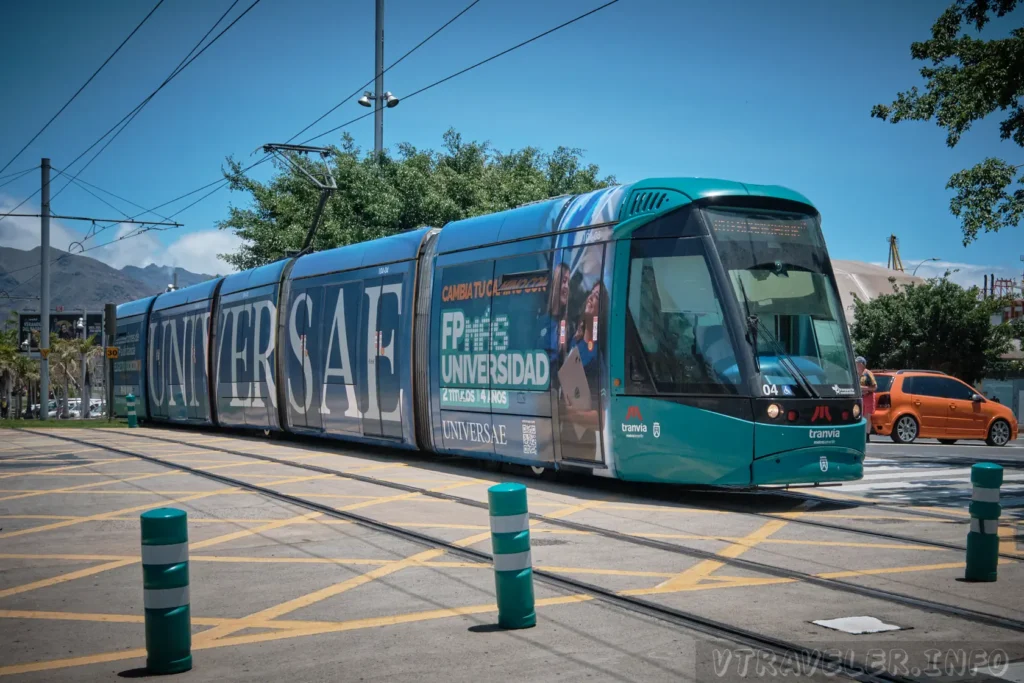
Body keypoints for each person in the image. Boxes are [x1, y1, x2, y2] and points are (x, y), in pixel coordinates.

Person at [856, 356, 876, 442]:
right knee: (859, 416)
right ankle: (860, 434)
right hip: (860, 398)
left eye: (857, 363)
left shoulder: (868, 373)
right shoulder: (855, 374)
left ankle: (867, 435)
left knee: (867, 416)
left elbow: (874, 387)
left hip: (868, 397)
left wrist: (863, 388)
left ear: (861, 364)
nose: (856, 364)